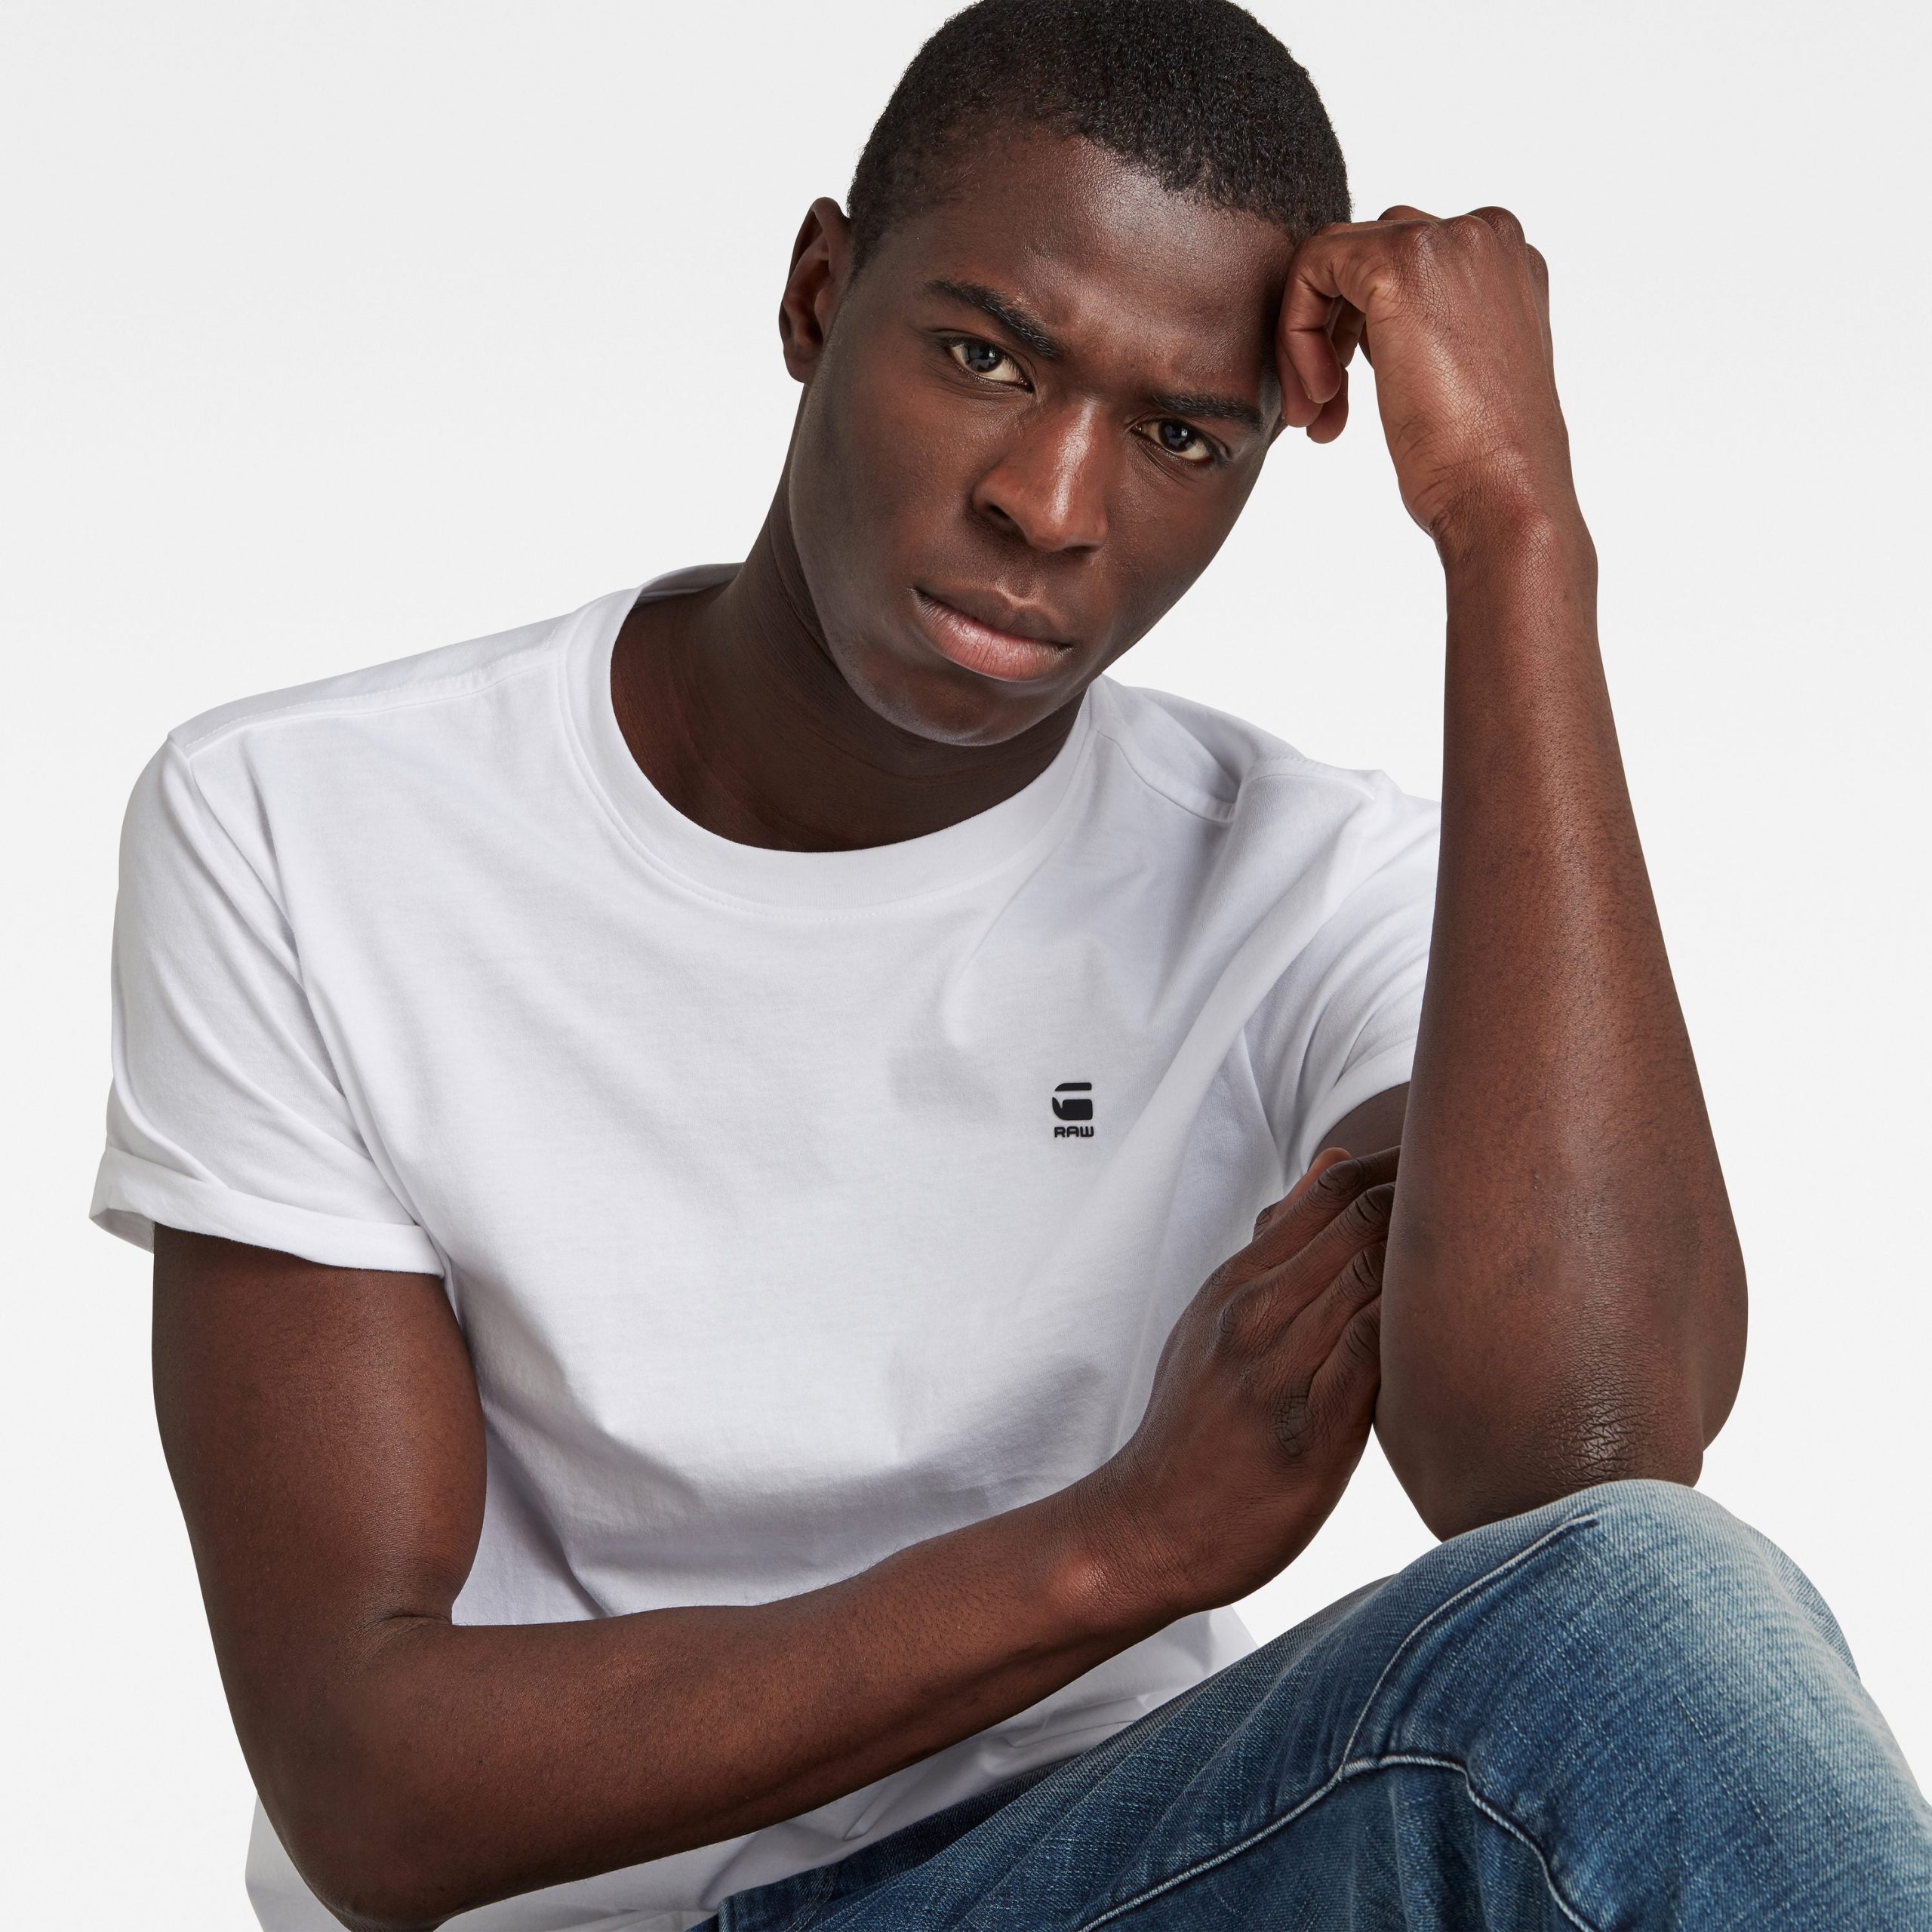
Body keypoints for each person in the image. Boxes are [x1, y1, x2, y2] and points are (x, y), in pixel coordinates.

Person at [90, 2, 1930, 1927]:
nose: (1048, 506)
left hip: (1115, 1871)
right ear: (817, 295)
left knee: (1643, 1610)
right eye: (985, 356)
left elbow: (1582, 1465)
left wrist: (1513, 533)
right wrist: (1121, 1545)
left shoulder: (1301, 885)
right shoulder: (308, 822)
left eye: (1176, 435)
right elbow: (369, 1785)